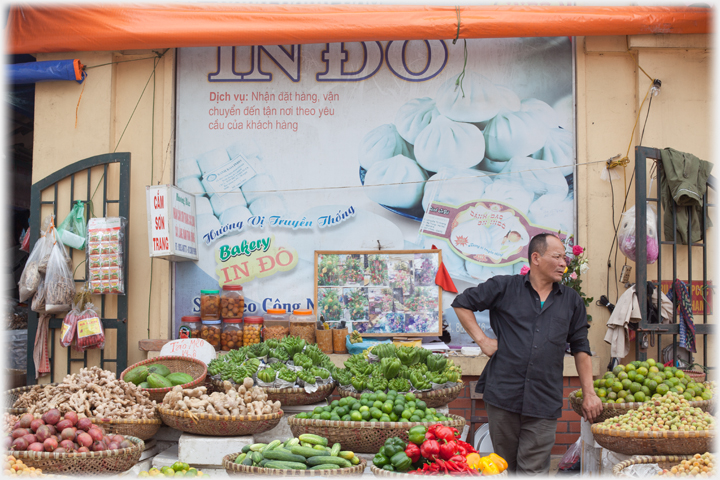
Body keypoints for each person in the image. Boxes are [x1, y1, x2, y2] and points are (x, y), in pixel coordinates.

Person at [452, 233, 602, 475]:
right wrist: (483, 340)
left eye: (565, 257)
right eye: (557, 256)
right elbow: (461, 302)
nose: (564, 263)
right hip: (503, 395)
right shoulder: (504, 287)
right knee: (503, 467)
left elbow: (580, 347)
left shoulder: (571, 300)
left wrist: (589, 393)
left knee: (533, 471)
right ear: (536, 258)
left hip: (544, 399)